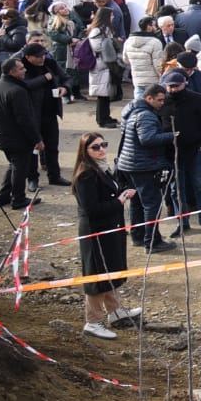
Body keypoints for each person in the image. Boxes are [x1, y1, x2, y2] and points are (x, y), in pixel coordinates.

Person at [72, 134, 143, 338]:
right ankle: (92, 321)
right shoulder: (86, 174)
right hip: (96, 232)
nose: (102, 149)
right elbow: (91, 208)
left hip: (110, 229)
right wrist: (119, 201)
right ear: (85, 151)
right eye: (95, 147)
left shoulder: (101, 168)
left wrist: (122, 192)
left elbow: (108, 193)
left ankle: (115, 311)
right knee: (96, 275)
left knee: (110, 269)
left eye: (104, 144)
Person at [115, 84, 177, 252]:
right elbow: (147, 139)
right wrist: (172, 135)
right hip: (142, 166)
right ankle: (152, 241)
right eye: (159, 100)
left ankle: (138, 236)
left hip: (128, 164)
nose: (162, 103)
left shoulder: (131, 110)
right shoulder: (146, 115)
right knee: (152, 204)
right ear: (148, 98)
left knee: (137, 202)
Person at [161, 70, 201, 237]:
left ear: (184, 84)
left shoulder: (197, 99)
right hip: (172, 153)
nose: (172, 90)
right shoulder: (163, 102)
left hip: (194, 151)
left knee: (199, 186)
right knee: (176, 189)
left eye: (176, 86)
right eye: (169, 87)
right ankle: (182, 223)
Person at [0, 57, 43, 210]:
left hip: (0, 135)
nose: (25, 70)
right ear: (12, 72)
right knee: (20, 167)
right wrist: (37, 139)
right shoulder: (17, 91)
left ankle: (3, 195)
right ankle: (18, 198)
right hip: (16, 138)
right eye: (21, 68)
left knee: (14, 165)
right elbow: (24, 120)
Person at [21, 43, 69, 189]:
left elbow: (66, 77)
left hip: (50, 113)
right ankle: (32, 179)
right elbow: (25, 85)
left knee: (52, 146)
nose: (42, 58)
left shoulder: (50, 63)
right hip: (32, 115)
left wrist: (64, 87)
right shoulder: (21, 67)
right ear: (28, 57)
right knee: (33, 149)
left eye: (43, 55)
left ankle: (54, 176)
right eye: (38, 56)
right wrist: (45, 78)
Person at [82, 7, 120, 128]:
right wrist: (112, 43)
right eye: (111, 15)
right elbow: (98, 48)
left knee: (106, 93)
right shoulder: (97, 30)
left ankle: (106, 116)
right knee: (102, 94)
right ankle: (102, 119)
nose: (113, 17)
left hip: (105, 64)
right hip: (101, 64)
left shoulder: (104, 29)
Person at [121, 17, 165, 102]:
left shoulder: (128, 41)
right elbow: (158, 65)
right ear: (149, 26)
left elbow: (125, 60)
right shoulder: (155, 42)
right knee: (153, 105)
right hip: (153, 81)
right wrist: (162, 76)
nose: (156, 28)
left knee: (139, 105)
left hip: (137, 79)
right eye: (154, 25)